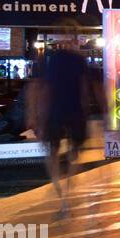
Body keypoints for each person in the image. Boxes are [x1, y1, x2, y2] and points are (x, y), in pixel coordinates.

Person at [28, 39, 94, 216]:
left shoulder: (49, 59)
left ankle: (62, 196)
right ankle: (64, 196)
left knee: (53, 156)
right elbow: (84, 89)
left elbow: (40, 89)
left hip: (56, 112)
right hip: (72, 111)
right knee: (72, 156)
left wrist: (37, 118)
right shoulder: (79, 60)